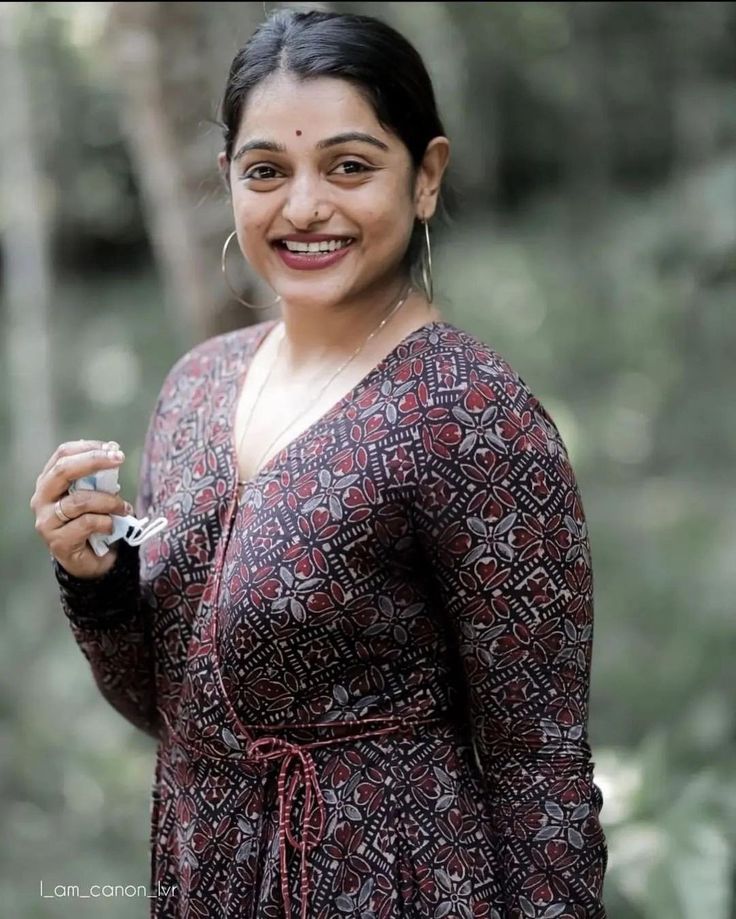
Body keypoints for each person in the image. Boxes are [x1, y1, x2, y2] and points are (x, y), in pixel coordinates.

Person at [31, 9, 608, 918]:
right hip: (210, 876)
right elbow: (175, 711)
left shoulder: (468, 413)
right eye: (267, 171)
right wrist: (95, 580)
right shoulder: (196, 387)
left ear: (425, 177)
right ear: (228, 180)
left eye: (349, 166)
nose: (302, 207)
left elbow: (541, 765)